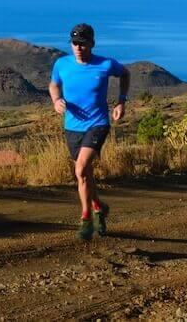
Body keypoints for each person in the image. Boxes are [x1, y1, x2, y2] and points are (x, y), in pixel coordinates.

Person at [48, 23, 130, 240]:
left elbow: (125, 74)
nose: (78, 47)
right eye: (75, 43)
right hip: (71, 126)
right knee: (85, 174)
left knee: (81, 169)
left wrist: (121, 102)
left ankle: (86, 219)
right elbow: (53, 84)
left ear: (92, 44)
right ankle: (99, 207)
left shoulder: (105, 64)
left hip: (98, 124)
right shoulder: (62, 64)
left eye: (83, 44)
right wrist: (56, 100)